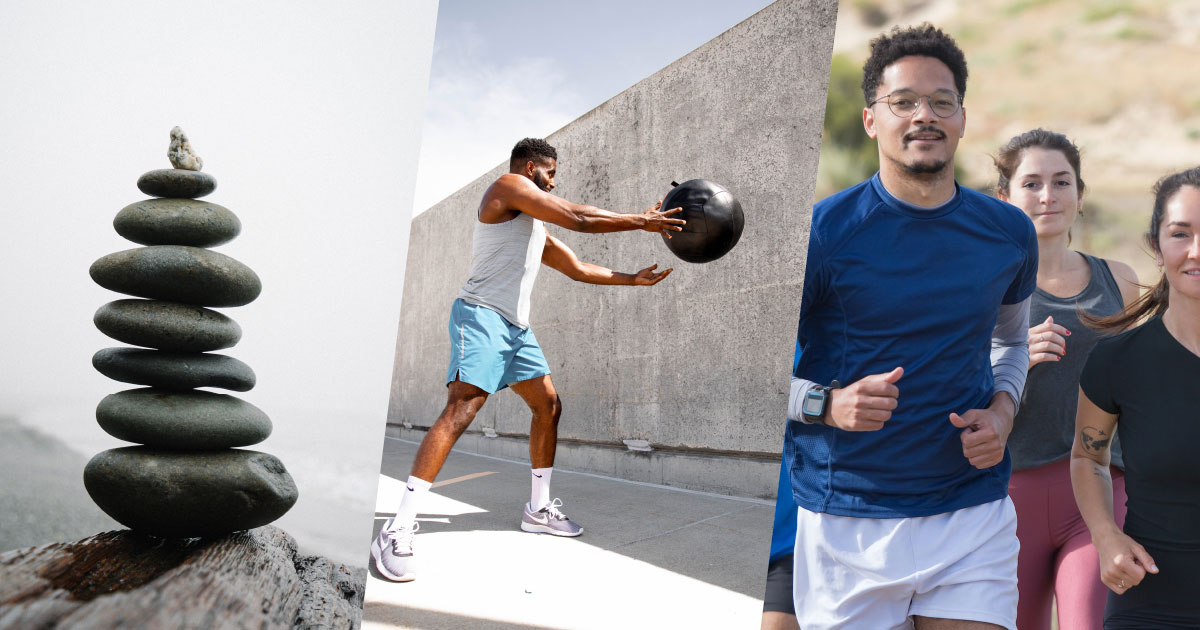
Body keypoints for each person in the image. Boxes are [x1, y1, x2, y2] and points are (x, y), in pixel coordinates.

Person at [783, 24, 1037, 629]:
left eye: (941, 102)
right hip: (848, 520)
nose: (924, 116)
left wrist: (1002, 412)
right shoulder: (819, 234)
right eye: (903, 102)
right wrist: (825, 402)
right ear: (872, 119)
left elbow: (1011, 340)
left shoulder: (1008, 232)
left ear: (962, 117)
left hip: (971, 512)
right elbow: (741, 377)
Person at [371, 137, 685, 582]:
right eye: (551, 173)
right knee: (463, 407)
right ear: (532, 166)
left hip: (517, 329)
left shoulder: (535, 226)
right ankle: (397, 526)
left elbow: (576, 267)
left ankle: (538, 509)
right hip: (480, 316)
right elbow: (578, 217)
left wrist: (631, 280)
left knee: (548, 406)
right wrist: (642, 221)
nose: (555, 181)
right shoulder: (507, 186)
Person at [992, 129, 1140, 630]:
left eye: (1062, 182)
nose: (1048, 196)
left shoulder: (1119, 281)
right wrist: (1013, 358)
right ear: (1005, 197)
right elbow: (945, 388)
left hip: (1100, 488)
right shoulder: (983, 289)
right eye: (1031, 183)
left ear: (1080, 194)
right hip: (1008, 497)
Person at [1071, 165, 1200, 629]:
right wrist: (1106, 537)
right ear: (1155, 244)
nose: (1196, 251)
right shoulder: (1117, 360)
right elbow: (1088, 459)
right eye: (1180, 234)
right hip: (1149, 603)